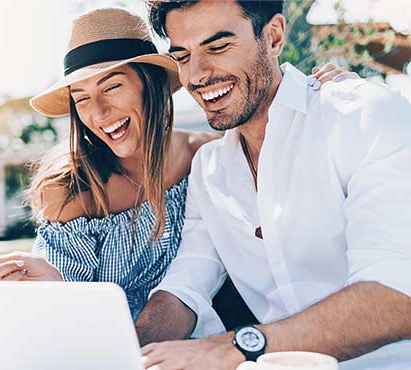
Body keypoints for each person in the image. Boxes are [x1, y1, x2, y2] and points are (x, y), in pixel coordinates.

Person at [0, 7, 355, 321]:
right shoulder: (70, 185)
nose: (99, 112)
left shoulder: (212, 161)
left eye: (112, 87)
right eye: (82, 98)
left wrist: (326, 88)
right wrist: (46, 276)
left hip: (200, 347)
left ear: (151, 83)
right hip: (106, 347)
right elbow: (71, 293)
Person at [133, 1, 411, 370]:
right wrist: (127, 349)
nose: (196, 75)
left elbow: (397, 295)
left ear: (274, 36)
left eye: (218, 47)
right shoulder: (209, 170)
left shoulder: (363, 115)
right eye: (183, 57)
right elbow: (186, 286)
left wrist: (234, 347)